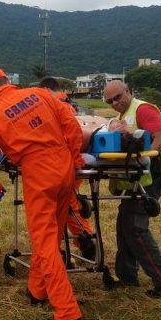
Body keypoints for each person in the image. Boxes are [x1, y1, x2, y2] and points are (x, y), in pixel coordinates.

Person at [0, 67, 85, 320]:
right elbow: (72, 127)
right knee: (54, 233)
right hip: (64, 167)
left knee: (44, 243)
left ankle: (68, 313)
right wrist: (76, 162)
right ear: (9, 81)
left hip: (39, 175)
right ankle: (37, 291)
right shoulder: (41, 93)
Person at [102, 80, 161, 298]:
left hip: (149, 179)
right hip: (134, 181)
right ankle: (127, 276)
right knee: (124, 225)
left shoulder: (143, 109)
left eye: (118, 97)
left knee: (135, 228)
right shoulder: (121, 118)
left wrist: (143, 159)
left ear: (128, 90)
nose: (114, 103)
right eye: (110, 101)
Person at [37, 77, 97, 261]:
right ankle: (79, 244)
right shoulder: (66, 103)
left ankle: (86, 244)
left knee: (67, 207)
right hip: (70, 161)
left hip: (63, 164)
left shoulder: (56, 105)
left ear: (46, 90)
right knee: (66, 206)